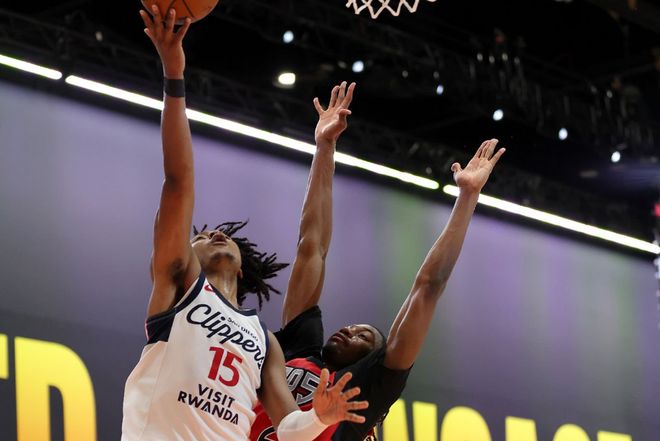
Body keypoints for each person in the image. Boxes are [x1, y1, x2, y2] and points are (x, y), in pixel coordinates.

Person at [122, 7, 368, 441]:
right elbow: (178, 180)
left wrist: (320, 417)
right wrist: (174, 76)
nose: (214, 234)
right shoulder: (179, 283)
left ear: (241, 268)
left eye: (221, 234)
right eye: (201, 235)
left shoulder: (263, 339)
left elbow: (288, 427)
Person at [250, 81, 505, 440]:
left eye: (363, 336)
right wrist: (324, 146)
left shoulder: (371, 388)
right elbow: (311, 246)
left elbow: (427, 288)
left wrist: (467, 197)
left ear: (372, 357)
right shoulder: (298, 348)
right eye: (354, 327)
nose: (348, 330)